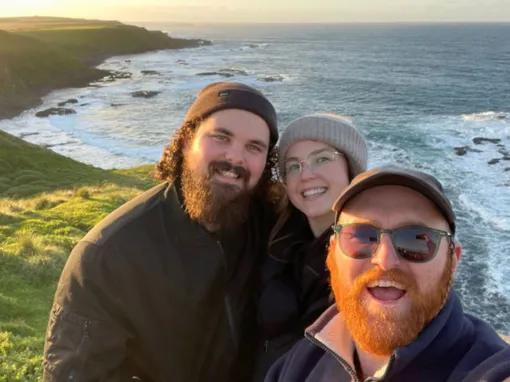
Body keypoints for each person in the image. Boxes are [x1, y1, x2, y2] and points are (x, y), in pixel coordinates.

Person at [43, 82, 280, 382]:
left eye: (254, 147)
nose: (235, 158)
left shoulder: (275, 229)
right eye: (221, 137)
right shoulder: (108, 255)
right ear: (185, 142)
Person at [266, 165, 510, 382]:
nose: (384, 260)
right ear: (331, 255)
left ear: (453, 260)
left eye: (417, 240)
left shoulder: (488, 368)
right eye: (361, 236)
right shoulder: (299, 364)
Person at [254, 114, 368, 380]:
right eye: (293, 166)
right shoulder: (279, 238)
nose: (306, 175)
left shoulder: (371, 260)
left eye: (322, 158)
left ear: (351, 170)